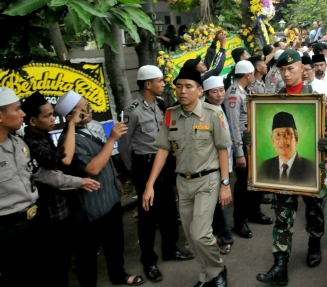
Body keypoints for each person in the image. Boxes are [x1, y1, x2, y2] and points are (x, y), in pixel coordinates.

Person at [142, 66, 232, 287]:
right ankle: (206, 275)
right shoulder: (171, 115)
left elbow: (222, 148)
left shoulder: (212, 114)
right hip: (183, 183)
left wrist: (225, 183)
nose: (182, 91)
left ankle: (219, 269)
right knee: (192, 238)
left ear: (200, 91)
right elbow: (163, 149)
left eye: (188, 86)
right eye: (179, 86)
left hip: (208, 181)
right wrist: (149, 184)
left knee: (201, 234)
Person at [0, 88, 99, 286]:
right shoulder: (30, 141)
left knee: (43, 273)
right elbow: (62, 160)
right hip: (7, 229)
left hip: (34, 221)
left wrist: (79, 182)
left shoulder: (19, 144)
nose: (22, 114)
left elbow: (41, 174)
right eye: (17, 110)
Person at [55, 91, 145, 286]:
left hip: (108, 198)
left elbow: (104, 156)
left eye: (87, 106)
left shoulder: (88, 129)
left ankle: (118, 275)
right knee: (86, 254)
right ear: (70, 117)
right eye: (83, 109)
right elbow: (93, 168)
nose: (89, 110)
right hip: (90, 209)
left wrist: (116, 178)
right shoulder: (69, 140)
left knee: (115, 243)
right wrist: (113, 139)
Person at [118, 65, 193, 282]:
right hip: (145, 165)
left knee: (169, 209)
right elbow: (124, 145)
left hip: (164, 163)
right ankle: (149, 261)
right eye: (160, 81)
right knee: (148, 217)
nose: (163, 84)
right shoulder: (132, 110)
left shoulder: (160, 104)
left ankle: (170, 249)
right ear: (148, 84)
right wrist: (132, 172)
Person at [256, 50, 324, 285]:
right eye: (282, 70)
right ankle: (280, 266)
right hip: (281, 177)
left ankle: (314, 244)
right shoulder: (273, 99)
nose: (286, 74)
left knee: (314, 211)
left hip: (311, 172)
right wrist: (251, 139)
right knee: (282, 217)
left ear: (302, 69)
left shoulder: (315, 97)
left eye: (290, 69)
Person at [225, 61, 273, 239]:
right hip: (243, 146)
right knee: (243, 185)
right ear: (248, 75)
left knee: (255, 180)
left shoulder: (242, 91)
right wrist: (239, 153)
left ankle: (254, 211)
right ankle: (239, 221)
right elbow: (234, 126)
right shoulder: (233, 94)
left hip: (252, 143)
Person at [203, 76, 235, 256]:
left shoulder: (220, 108)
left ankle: (225, 237)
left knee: (220, 203)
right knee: (216, 204)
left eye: (221, 90)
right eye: (214, 92)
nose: (219, 94)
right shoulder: (206, 111)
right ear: (206, 94)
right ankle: (220, 235)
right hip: (213, 164)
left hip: (223, 163)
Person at [258, 112, 316, 186]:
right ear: (273, 141)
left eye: (288, 134)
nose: (282, 140)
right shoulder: (265, 167)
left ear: (296, 139)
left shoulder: (310, 168)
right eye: (278, 135)